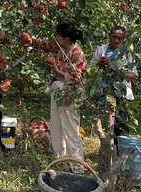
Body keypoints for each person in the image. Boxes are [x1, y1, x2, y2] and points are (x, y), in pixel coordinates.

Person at [47, 23, 87, 174]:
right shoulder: (62, 48)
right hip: (58, 89)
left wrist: (57, 70)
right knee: (56, 124)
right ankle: (59, 157)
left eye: (58, 35)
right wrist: (33, 40)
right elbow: (48, 45)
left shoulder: (76, 53)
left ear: (67, 38)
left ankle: (77, 165)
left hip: (70, 93)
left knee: (70, 128)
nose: (56, 38)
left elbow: (76, 76)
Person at [90, 26, 138, 143]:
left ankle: (120, 153)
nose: (116, 40)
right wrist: (100, 64)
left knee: (121, 127)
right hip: (104, 94)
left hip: (123, 96)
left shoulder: (127, 53)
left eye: (120, 38)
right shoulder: (101, 50)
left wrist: (119, 72)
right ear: (109, 36)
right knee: (106, 128)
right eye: (114, 37)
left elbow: (134, 75)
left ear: (123, 39)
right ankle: (108, 154)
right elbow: (90, 70)